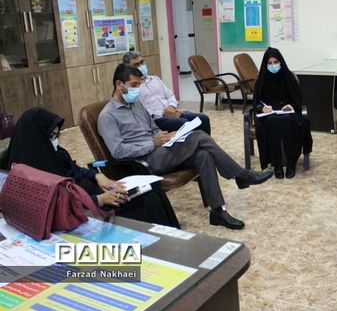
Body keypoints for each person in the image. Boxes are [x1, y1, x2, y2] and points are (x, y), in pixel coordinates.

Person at [98, 64, 273, 230]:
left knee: (203, 155)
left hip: (160, 151)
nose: (137, 89)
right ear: (119, 85)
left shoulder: (137, 105)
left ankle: (218, 211)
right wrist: (153, 143)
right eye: (133, 85)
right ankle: (241, 175)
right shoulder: (107, 116)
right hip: (142, 162)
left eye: (138, 85)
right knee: (199, 136)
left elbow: (154, 128)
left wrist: (166, 136)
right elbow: (118, 151)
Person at [3, 107, 180, 227]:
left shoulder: (52, 153)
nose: (55, 141)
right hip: (86, 210)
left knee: (152, 189)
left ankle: (174, 237)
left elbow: (73, 168)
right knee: (146, 204)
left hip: (93, 194)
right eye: (52, 137)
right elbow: (56, 208)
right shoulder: (28, 173)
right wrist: (99, 200)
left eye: (57, 136)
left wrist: (97, 176)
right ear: (36, 138)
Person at [253, 47, 312, 179]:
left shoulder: (289, 76)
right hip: (269, 114)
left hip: (288, 111)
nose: (273, 65)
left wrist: (291, 105)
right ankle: (277, 164)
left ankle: (291, 163)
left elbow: (298, 99)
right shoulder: (262, 79)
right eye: (270, 63)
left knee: (288, 121)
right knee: (272, 122)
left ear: (281, 62)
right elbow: (256, 102)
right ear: (265, 64)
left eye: (276, 62)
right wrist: (262, 108)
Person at [123, 51, 211, 135]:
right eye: (136, 65)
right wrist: (165, 113)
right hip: (156, 119)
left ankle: (206, 144)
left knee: (203, 118)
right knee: (185, 124)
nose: (141, 66)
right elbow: (139, 110)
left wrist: (171, 107)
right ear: (128, 68)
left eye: (142, 62)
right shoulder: (131, 87)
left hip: (172, 111)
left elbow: (170, 96)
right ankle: (194, 145)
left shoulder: (155, 79)